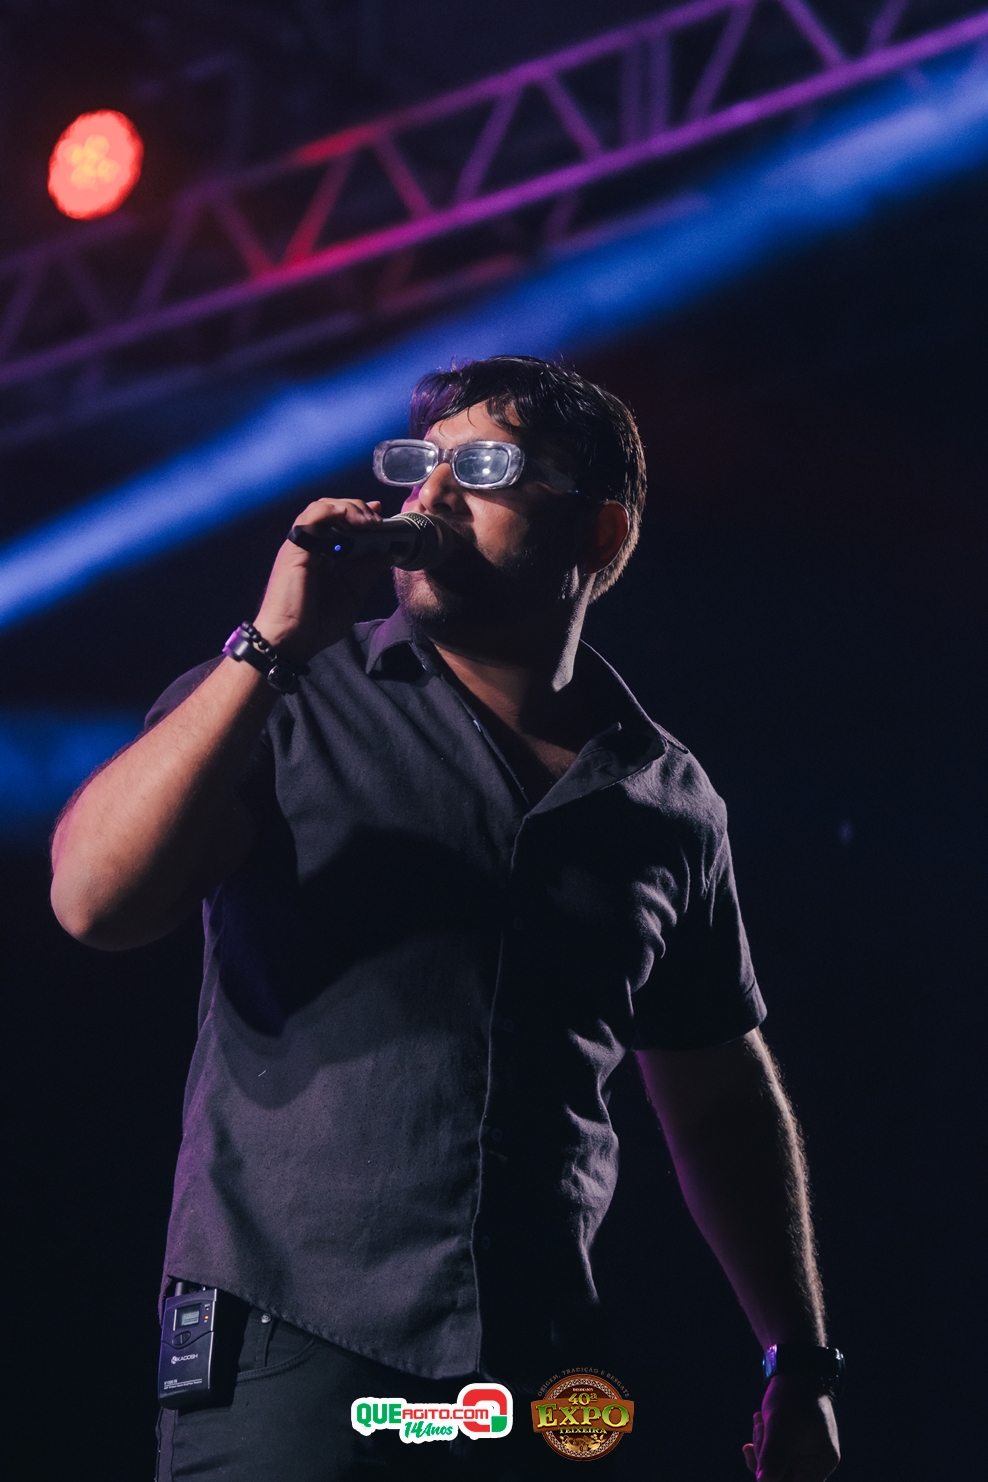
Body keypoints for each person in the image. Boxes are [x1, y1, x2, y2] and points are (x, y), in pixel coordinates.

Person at [51, 356, 841, 1481]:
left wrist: (799, 1361)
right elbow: (95, 902)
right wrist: (269, 645)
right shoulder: (285, 698)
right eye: (420, 465)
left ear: (601, 532)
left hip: (538, 1376)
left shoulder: (665, 800)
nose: (429, 494)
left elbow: (721, 1099)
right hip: (292, 1346)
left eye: (486, 468)